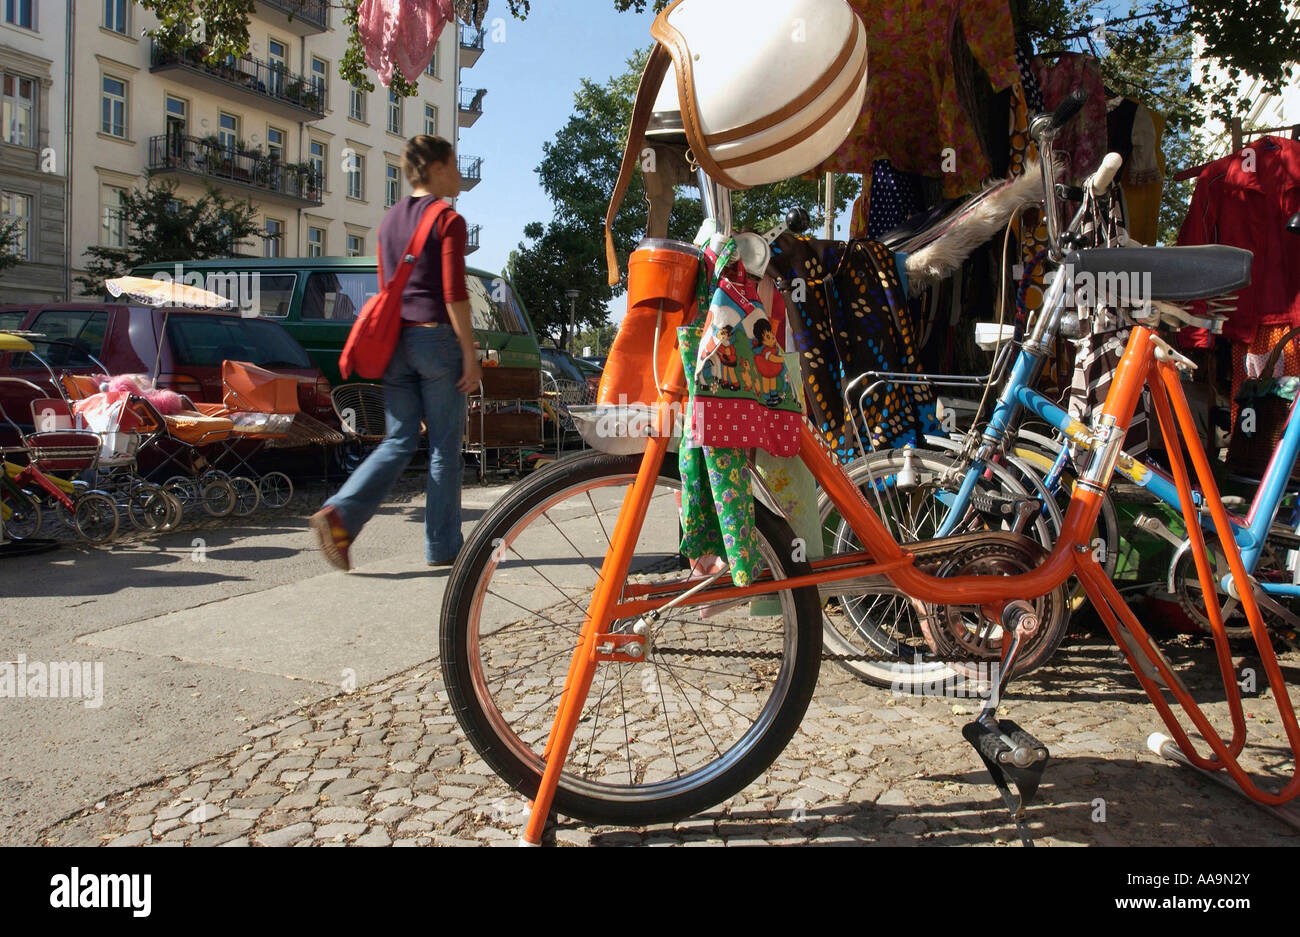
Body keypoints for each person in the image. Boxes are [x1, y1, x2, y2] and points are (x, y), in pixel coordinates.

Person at [310, 135, 481, 570]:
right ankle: (443, 547)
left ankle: (341, 513)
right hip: (435, 340)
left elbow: (389, 286)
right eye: (454, 164)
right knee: (444, 447)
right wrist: (469, 352)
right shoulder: (448, 219)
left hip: (394, 344)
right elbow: (453, 293)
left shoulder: (389, 221)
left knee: (400, 439)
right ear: (438, 168)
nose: (459, 173)